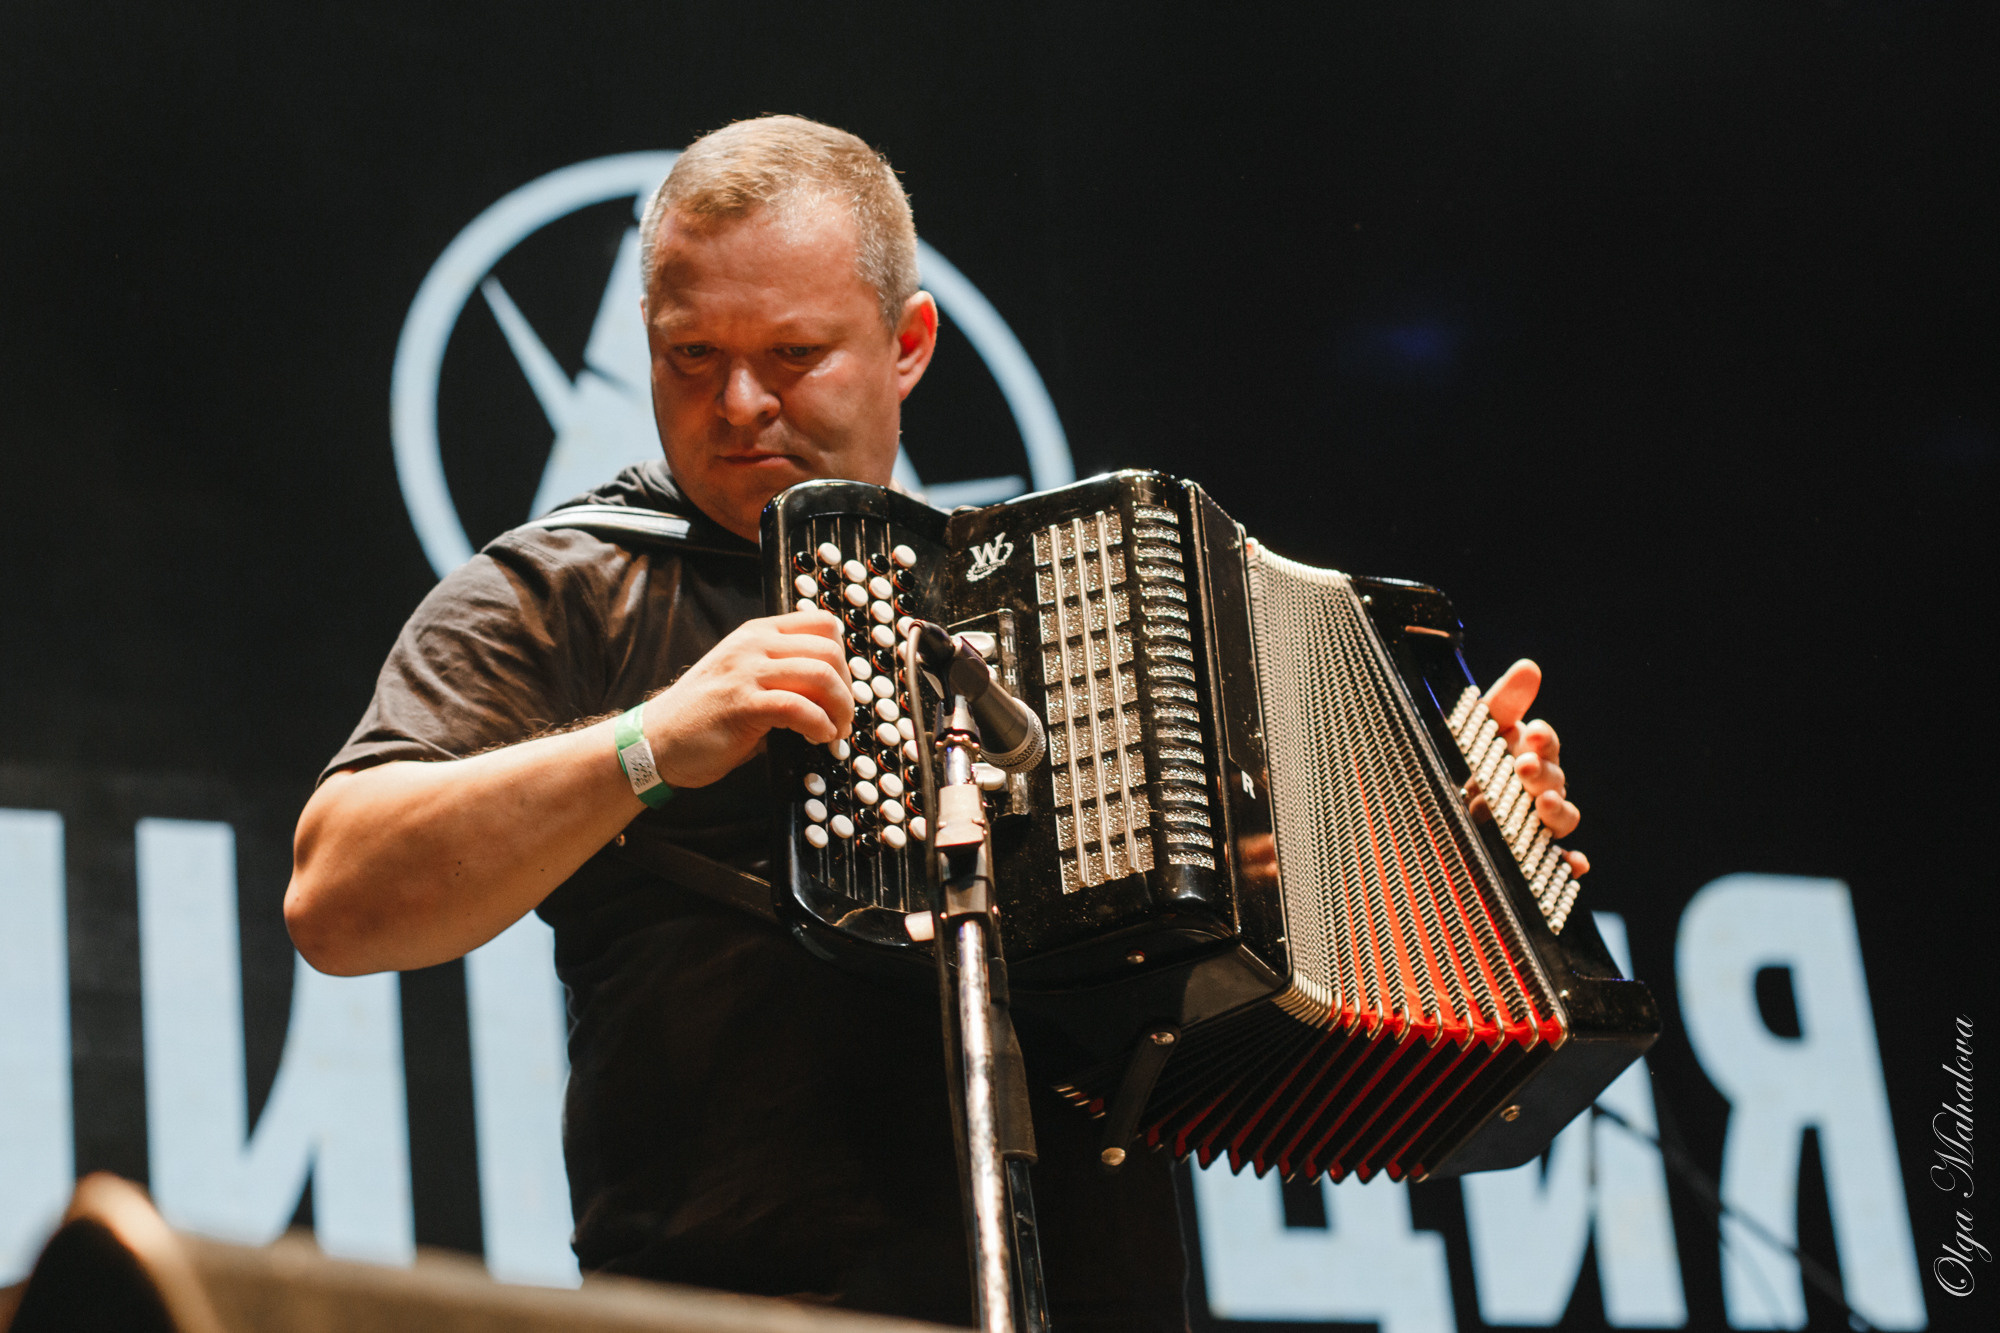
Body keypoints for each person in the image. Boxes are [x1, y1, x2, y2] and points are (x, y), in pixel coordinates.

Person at [285, 115, 1585, 1327]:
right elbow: (338, 894)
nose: (738, 403)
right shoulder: (563, 592)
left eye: (792, 354)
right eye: (693, 356)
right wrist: (649, 744)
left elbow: (1250, 992)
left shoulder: (1090, 603)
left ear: (907, 343)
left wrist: (1456, 857)